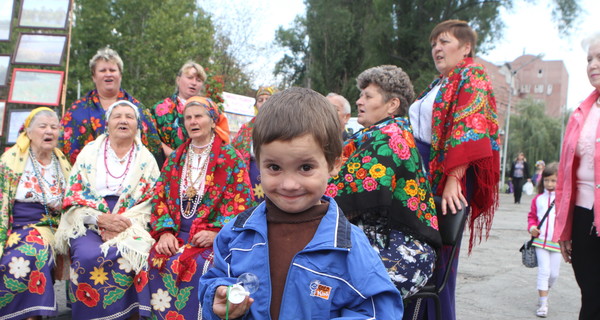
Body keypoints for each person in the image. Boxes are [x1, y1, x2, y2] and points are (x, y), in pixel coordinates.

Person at [199, 87, 403, 319]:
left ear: (334, 164)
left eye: (305, 168)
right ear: (259, 162)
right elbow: (215, 278)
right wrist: (217, 298)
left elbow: (378, 311)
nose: (289, 184)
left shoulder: (349, 246)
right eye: (274, 167)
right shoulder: (236, 234)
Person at [408, 20, 500, 320]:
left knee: (438, 260)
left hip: (446, 177)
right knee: (416, 255)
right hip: (422, 175)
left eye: (444, 41)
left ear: (466, 47)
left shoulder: (472, 74)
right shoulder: (439, 83)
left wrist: (454, 180)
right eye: (434, 43)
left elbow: (470, 127)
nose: (437, 48)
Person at [327, 65, 441, 301]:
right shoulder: (371, 135)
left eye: (368, 96)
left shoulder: (391, 135)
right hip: (373, 244)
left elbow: (342, 191)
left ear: (392, 105)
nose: (359, 101)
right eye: (361, 95)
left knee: (333, 291)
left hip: (403, 251)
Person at [148, 96, 253, 319]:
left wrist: (216, 233)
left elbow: (243, 204)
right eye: (188, 118)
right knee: (155, 257)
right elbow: (159, 197)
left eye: (198, 116)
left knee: (201, 264)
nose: (193, 122)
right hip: (177, 234)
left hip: (212, 237)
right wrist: (165, 232)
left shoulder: (231, 158)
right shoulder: (176, 157)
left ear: (213, 121)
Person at [54, 101, 160, 319]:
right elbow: (74, 195)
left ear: (137, 125)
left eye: (129, 117)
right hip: (89, 220)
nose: (123, 120)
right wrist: (99, 219)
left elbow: (153, 200)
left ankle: (128, 315)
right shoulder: (89, 152)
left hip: (131, 221)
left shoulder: (147, 159)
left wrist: (123, 223)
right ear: (107, 124)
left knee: (135, 253)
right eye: (117, 116)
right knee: (86, 255)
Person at [0, 108, 71, 320]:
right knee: (15, 258)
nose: (49, 131)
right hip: (18, 224)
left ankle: (33, 314)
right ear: (28, 132)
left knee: (36, 249)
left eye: (54, 127)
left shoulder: (62, 163)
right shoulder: (10, 160)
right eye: (43, 126)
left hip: (54, 225)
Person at [555, 32, 600, 320]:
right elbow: (564, 178)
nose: (593, 64)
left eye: (599, 58)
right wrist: (565, 227)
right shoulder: (581, 113)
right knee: (591, 297)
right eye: (589, 59)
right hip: (584, 217)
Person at [59, 47, 162, 164]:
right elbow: (62, 150)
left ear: (120, 75)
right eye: (102, 70)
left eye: (112, 70)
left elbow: (154, 152)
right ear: (94, 76)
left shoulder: (139, 110)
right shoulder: (76, 111)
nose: (108, 74)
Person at [149, 60, 207, 158]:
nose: (194, 83)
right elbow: (150, 137)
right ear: (178, 80)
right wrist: (175, 156)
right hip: (166, 165)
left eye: (198, 80)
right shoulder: (160, 109)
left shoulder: (209, 110)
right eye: (190, 78)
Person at [231, 86, 278, 205]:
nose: (263, 103)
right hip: (251, 172)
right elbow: (234, 150)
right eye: (260, 100)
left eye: (268, 99)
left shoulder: (282, 125)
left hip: (275, 170)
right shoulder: (247, 128)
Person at [526, 162, 559, 318]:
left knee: (554, 274)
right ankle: (543, 303)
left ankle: (545, 291)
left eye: (553, 180)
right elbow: (532, 217)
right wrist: (532, 227)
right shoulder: (538, 199)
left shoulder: (564, 200)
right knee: (544, 271)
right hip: (540, 242)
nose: (549, 184)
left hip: (557, 242)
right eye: (547, 180)